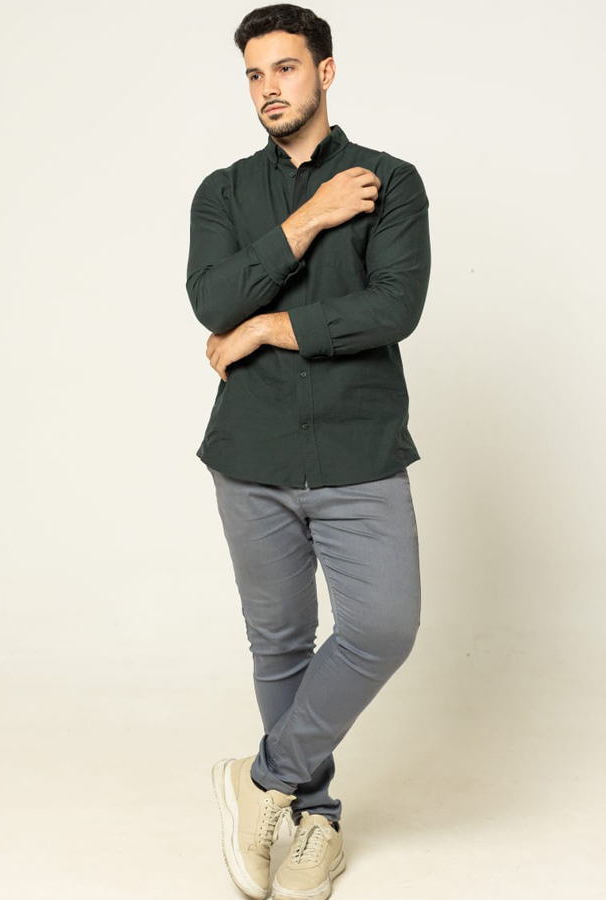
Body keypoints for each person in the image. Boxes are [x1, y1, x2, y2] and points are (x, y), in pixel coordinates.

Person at [186, 5, 431, 898]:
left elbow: (394, 308)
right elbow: (213, 302)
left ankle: (261, 779)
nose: (269, 88)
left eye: (285, 68)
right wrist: (309, 222)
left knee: (383, 627)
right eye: (255, 74)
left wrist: (267, 328)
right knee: (281, 643)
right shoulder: (222, 193)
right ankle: (311, 822)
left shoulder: (390, 181)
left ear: (325, 72)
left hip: (360, 449)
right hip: (250, 453)